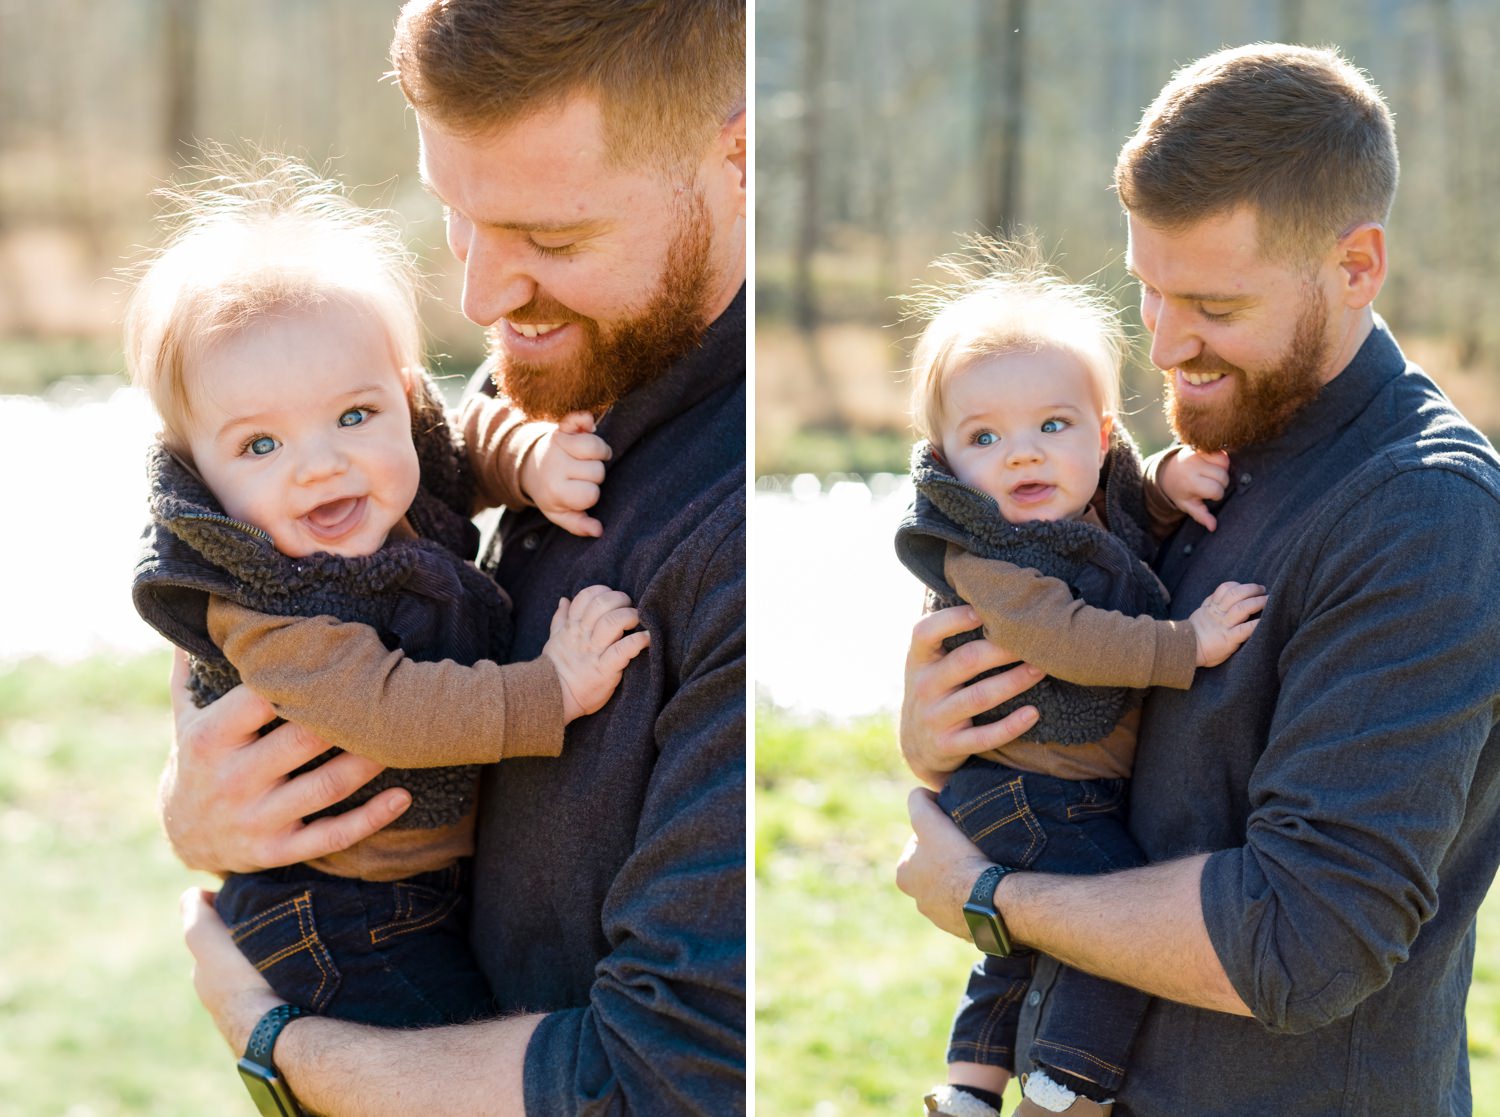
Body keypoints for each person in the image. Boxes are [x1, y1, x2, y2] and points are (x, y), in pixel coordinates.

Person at [896, 43, 1500, 1116]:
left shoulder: (1426, 511)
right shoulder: (1202, 456)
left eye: (1214, 304)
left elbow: (1304, 939)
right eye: (1147, 291)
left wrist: (993, 897)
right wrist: (952, 730)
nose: (1166, 346)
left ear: (1358, 265)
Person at [166, 2, 747, 1114]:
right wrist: (208, 795)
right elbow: (264, 580)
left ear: (738, 155)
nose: (479, 297)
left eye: (552, 239)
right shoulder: (553, 355)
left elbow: (671, 1079)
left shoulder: (733, 534)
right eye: (455, 216)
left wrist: (280, 1049)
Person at [128, 154, 648, 1029]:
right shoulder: (269, 607)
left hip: (414, 888)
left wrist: (529, 461)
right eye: (261, 446)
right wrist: (551, 689)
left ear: (402, 399)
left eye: (354, 415)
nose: (322, 462)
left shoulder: (390, 463)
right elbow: (393, 709)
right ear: (201, 476)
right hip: (333, 911)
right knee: (439, 1066)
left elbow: (461, 441)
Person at [893, 245, 1263, 1117]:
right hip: (1027, 790)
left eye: (1052, 427)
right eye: (984, 438)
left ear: (1102, 437)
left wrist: (1169, 483)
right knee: (1109, 924)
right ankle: (1067, 1088)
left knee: (1018, 950)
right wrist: (1188, 643)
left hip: (1031, 788)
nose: (1022, 457)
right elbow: (1065, 636)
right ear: (945, 460)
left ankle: (970, 1088)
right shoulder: (986, 553)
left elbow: (1129, 518)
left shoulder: (1089, 499)